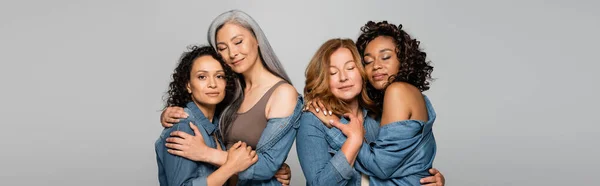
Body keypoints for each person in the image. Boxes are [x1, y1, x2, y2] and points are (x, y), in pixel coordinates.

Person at [159, 10, 302, 186]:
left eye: (238, 42)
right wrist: (170, 112)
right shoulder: (229, 91)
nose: (232, 53)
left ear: (257, 40)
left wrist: (205, 153)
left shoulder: (283, 94)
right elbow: (206, 122)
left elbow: (267, 166)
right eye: (222, 48)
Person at [306, 21, 445, 186]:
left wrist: (348, 133)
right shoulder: (397, 103)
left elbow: (381, 167)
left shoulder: (397, 92)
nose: (377, 66)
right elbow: (412, 162)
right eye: (368, 61)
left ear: (403, 59)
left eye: (385, 57)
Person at [155, 45, 257, 186]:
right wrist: (231, 167)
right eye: (202, 77)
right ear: (188, 85)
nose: (212, 84)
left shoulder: (218, 127)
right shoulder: (184, 126)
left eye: (219, 76)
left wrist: (274, 170)